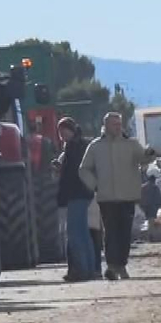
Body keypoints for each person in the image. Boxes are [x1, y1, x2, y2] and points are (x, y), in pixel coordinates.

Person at [79, 112, 153, 281]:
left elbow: (143, 159)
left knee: (125, 233)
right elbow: (84, 169)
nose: (118, 127)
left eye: (119, 124)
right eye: (114, 124)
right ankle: (112, 266)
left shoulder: (131, 144)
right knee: (111, 232)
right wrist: (95, 185)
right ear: (106, 126)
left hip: (127, 195)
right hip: (107, 197)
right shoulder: (96, 146)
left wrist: (150, 154)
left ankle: (122, 265)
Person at [56, 118, 99, 282]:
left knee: (74, 234)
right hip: (84, 193)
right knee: (83, 233)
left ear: (71, 130)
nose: (62, 135)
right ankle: (90, 268)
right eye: (60, 133)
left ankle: (81, 269)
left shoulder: (74, 147)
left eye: (64, 131)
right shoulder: (81, 145)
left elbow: (72, 173)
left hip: (76, 193)